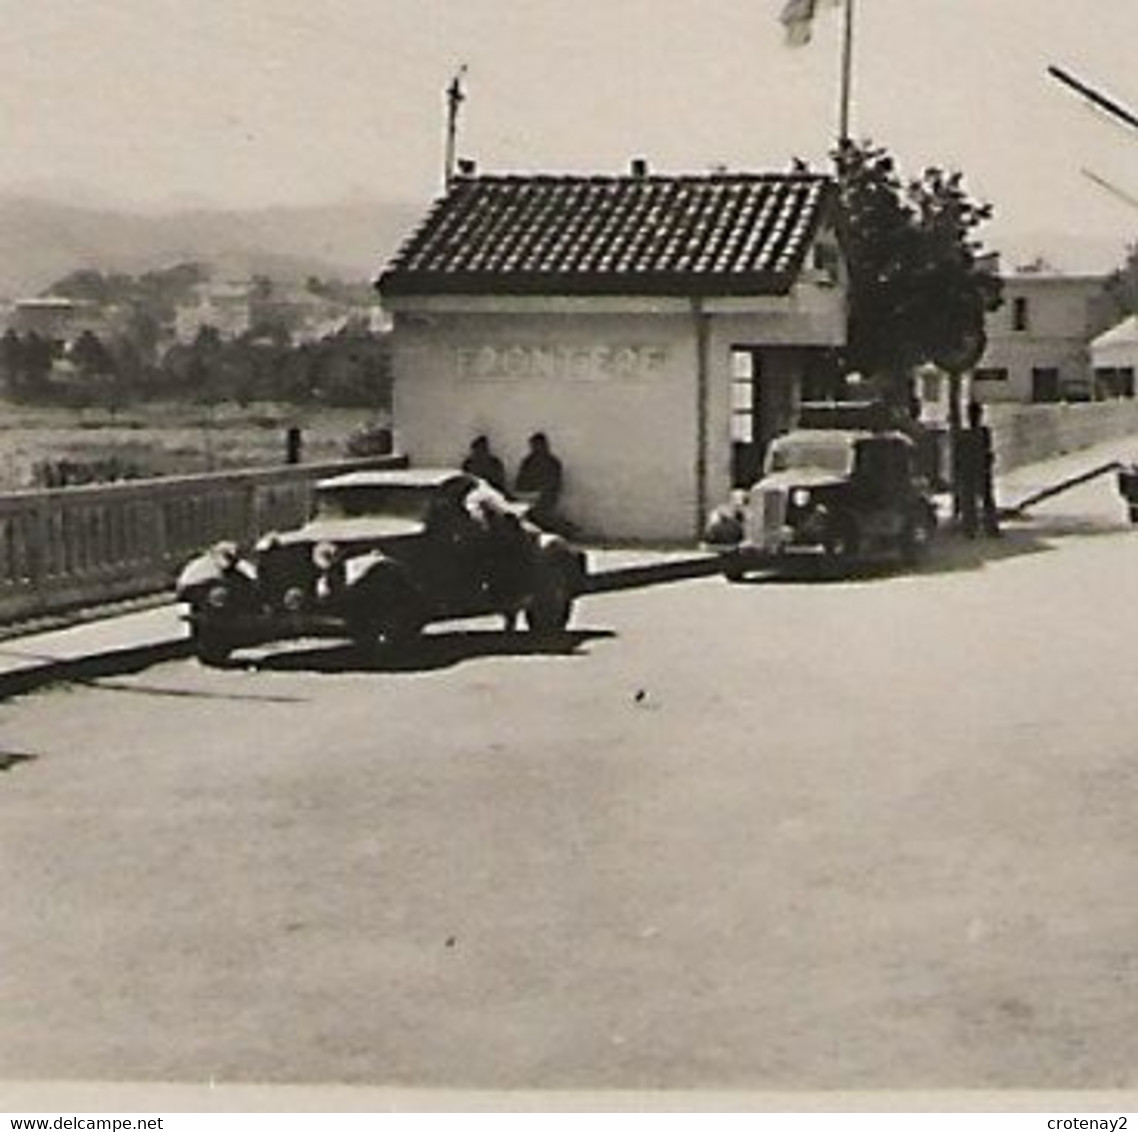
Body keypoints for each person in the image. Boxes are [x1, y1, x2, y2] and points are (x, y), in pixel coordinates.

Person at [959, 401, 1000, 538]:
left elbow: (961, 455)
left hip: (973, 469)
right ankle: (987, 528)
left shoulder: (968, 434)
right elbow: (988, 451)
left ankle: (972, 528)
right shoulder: (982, 433)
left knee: (974, 500)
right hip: (979, 469)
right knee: (983, 500)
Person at [514, 431, 564, 527]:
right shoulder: (527, 462)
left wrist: (540, 493)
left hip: (546, 498)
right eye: (533, 446)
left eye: (537, 445)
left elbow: (555, 484)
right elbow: (520, 481)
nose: (535, 448)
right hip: (528, 496)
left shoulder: (553, 463)